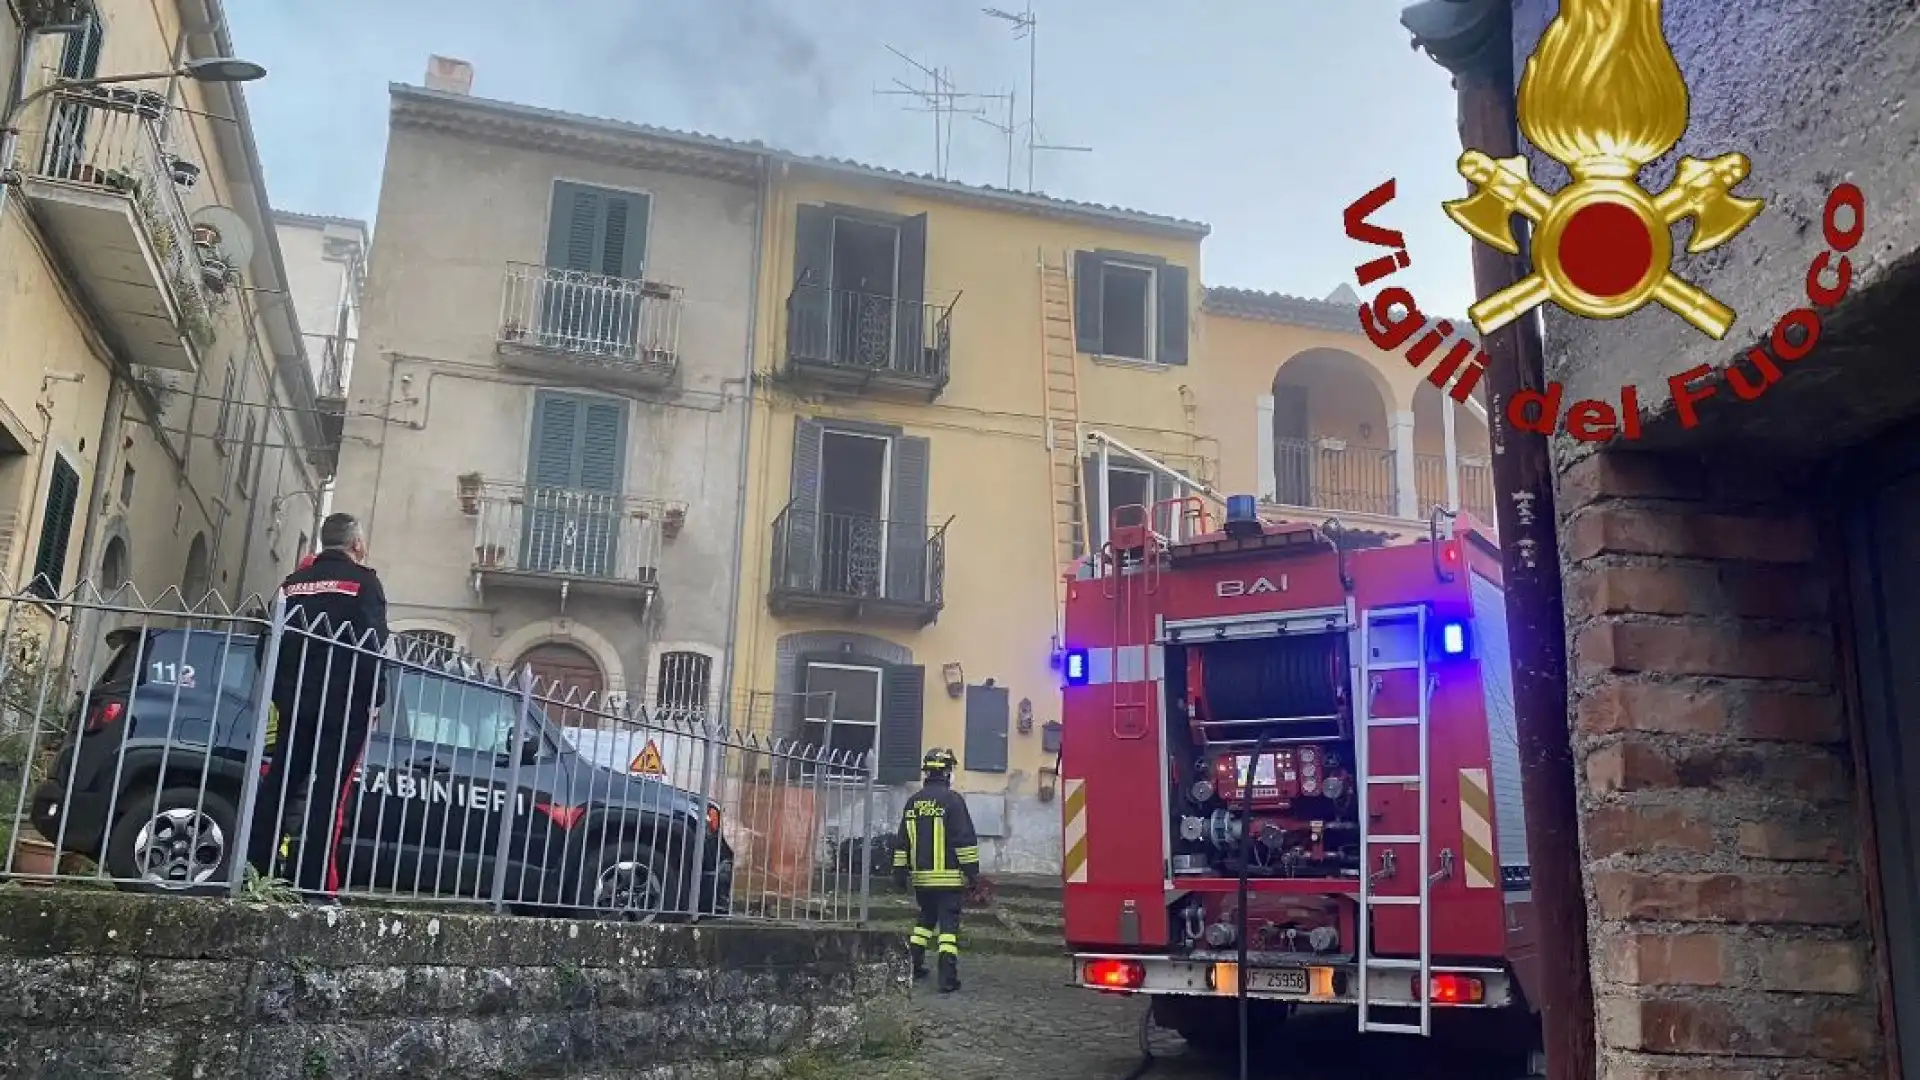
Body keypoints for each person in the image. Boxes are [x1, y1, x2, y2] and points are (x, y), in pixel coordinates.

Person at [246, 512, 389, 902]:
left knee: (280, 785)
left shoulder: (291, 585)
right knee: (329, 796)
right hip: (343, 709)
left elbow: (266, 645)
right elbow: (372, 647)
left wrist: (283, 693)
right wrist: (373, 699)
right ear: (356, 544)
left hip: (295, 706)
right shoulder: (364, 583)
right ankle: (314, 885)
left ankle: (255, 873)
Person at [892, 747, 980, 992]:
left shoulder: (913, 803)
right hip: (948, 880)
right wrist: (973, 874)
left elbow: (902, 842)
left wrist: (899, 872)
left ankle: (912, 965)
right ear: (947, 772)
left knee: (925, 921)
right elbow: (964, 840)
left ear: (927, 773)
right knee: (948, 930)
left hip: (921, 880)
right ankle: (947, 978)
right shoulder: (953, 801)